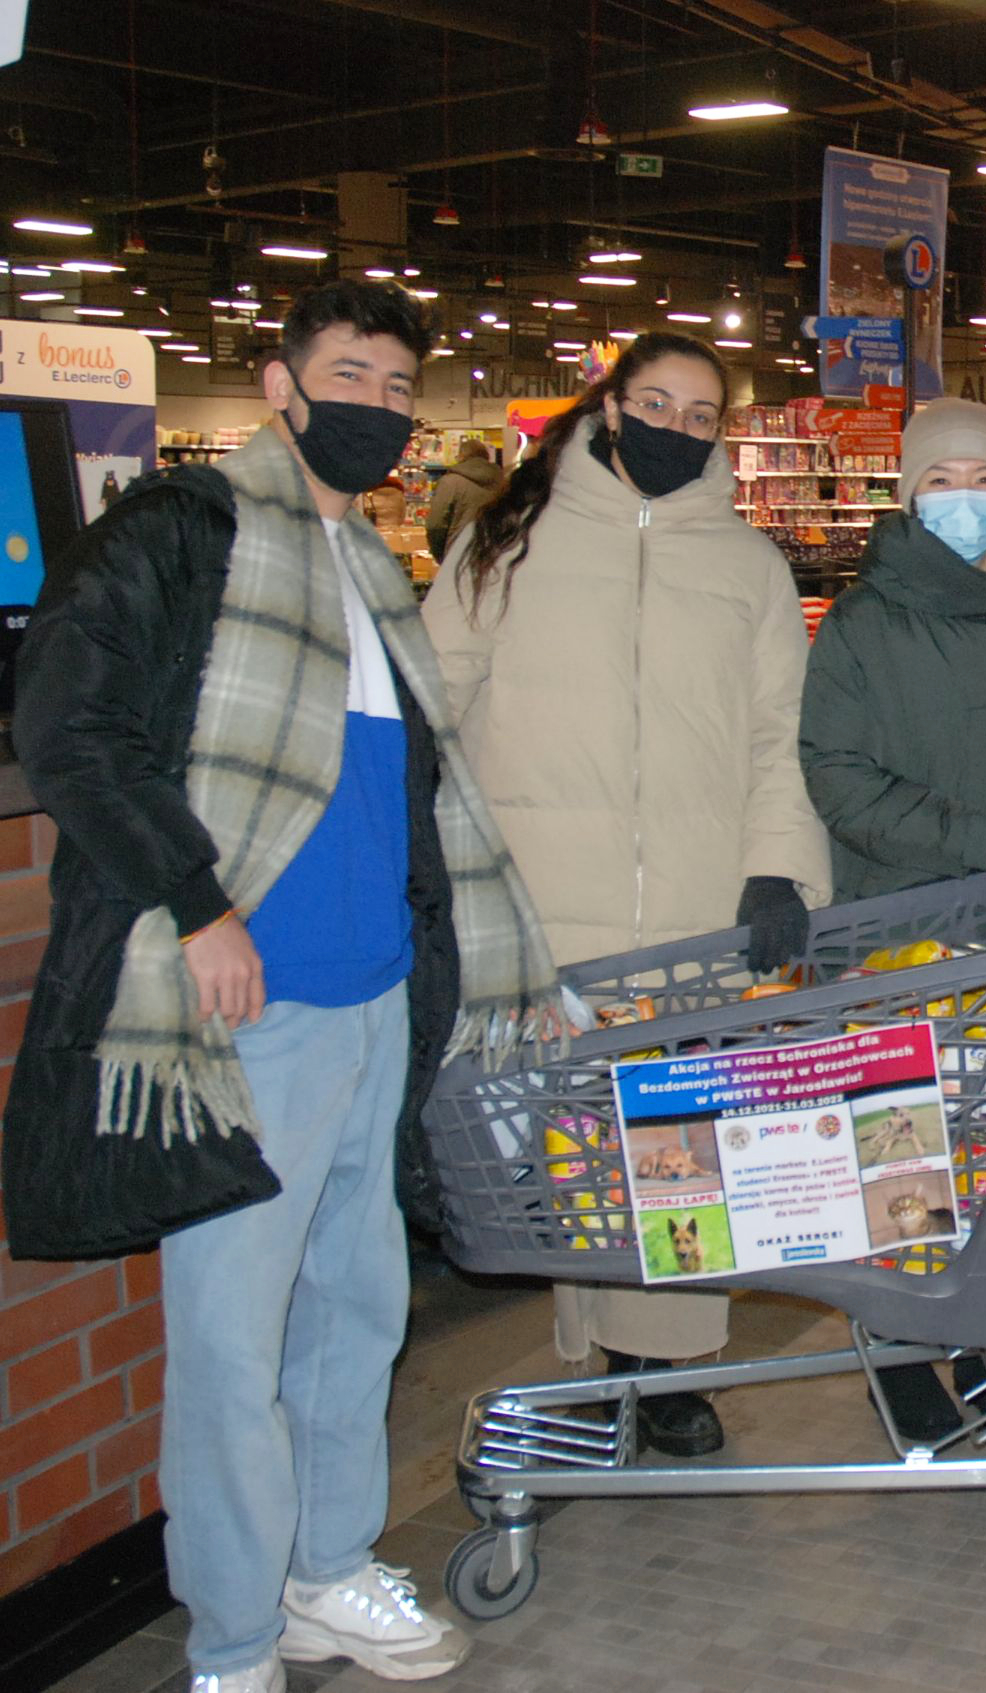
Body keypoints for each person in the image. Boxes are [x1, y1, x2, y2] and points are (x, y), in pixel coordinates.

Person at [0, 281, 561, 1693]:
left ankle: (325, 1568)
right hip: (246, 1017)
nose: (375, 404)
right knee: (232, 1343)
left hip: (372, 1001)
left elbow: (412, 799)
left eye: (397, 385)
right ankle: (235, 1637)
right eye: (347, 374)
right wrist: (196, 904)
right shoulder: (183, 535)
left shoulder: (369, 568)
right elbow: (67, 725)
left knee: (356, 1316)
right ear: (280, 383)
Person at [422, 333, 830, 1458]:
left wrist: (778, 864)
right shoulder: (506, 543)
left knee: (683, 1138)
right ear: (609, 408)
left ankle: (656, 1369)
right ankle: (597, 1350)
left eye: (700, 416)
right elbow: (431, 703)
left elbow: (778, 732)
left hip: (696, 905)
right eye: (655, 404)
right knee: (573, 1144)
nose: (675, 429)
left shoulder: (748, 565)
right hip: (543, 901)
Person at [800, 396, 986, 1438]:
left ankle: (985, 1339)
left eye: (982, 480)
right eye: (939, 479)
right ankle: (900, 1354)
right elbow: (836, 775)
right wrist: (979, 838)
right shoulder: (863, 624)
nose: (962, 498)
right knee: (902, 1156)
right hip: (894, 931)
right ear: (908, 496)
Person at [423, 437, 503, 565]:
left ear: (461, 457)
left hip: (458, 553)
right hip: (494, 553)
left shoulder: (450, 482)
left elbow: (435, 525)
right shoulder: (503, 482)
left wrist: (440, 555)